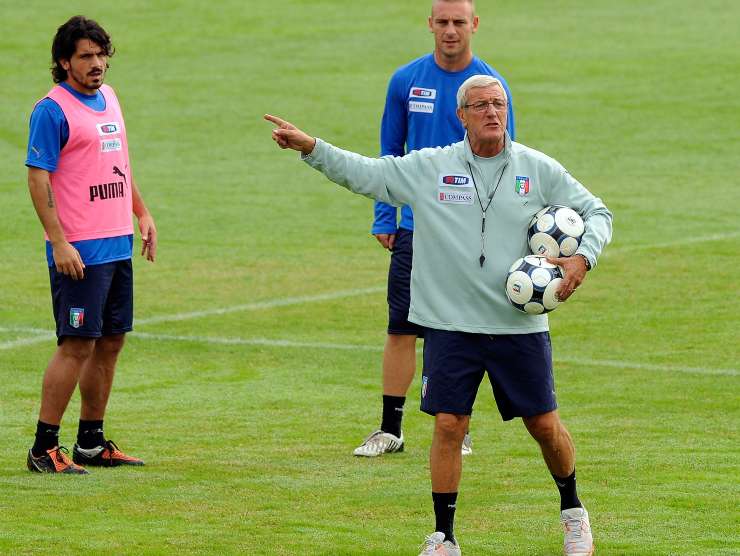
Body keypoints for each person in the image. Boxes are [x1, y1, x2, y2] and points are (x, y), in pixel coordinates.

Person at [264, 74, 611, 555]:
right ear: (461, 115)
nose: (492, 112)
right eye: (481, 105)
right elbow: (367, 173)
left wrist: (582, 258)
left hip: (517, 327)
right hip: (450, 327)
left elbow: (597, 212)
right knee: (449, 425)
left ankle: (573, 512)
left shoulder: (538, 169)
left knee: (545, 426)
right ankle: (444, 537)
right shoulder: (431, 168)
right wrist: (312, 148)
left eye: (499, 103)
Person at [355, 0, 516, 459]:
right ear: (430, 24)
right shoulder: (406, 80)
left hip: (470, 231)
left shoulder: (491, 86)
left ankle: (457, 425)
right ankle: (390, 428)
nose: (450, 30)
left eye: (458, 22)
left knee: (456, 328)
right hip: (415, 227)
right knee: (401, 326)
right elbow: (388, 152)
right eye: (442, 22)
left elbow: (509, 157)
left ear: (475, 25)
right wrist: (385, 216)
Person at [25, 15, 157, 474]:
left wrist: (141, 212)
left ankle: (90, 443)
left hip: (117, 242)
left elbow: (119, 162)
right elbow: (37, 177)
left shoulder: (110, 98)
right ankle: (43, 448)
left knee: (111, 342)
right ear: (64, 62)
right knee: (76, 344)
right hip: (79, 249)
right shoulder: (52, 110)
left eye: (102, 54)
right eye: (86, 56)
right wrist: (59, 242)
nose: (97, 63)